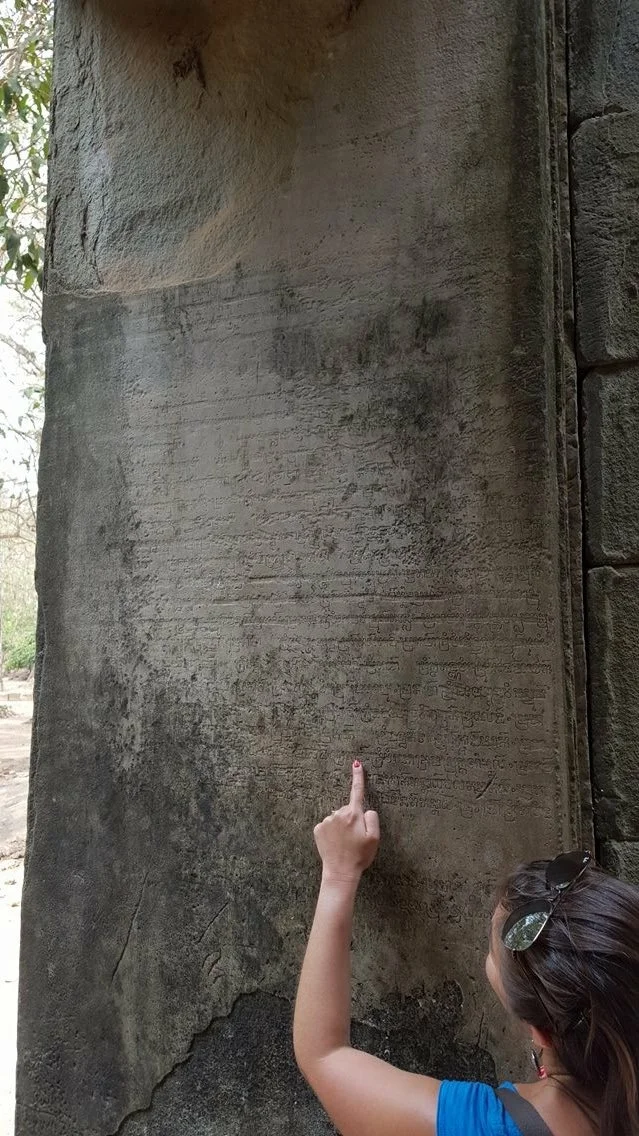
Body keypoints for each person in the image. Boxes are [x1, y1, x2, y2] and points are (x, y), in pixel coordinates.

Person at [293, 761, 639, 1135]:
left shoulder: (480, 1126)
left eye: (492, 951)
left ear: (542, 1033)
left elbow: (324, 1054)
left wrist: (339, 874)